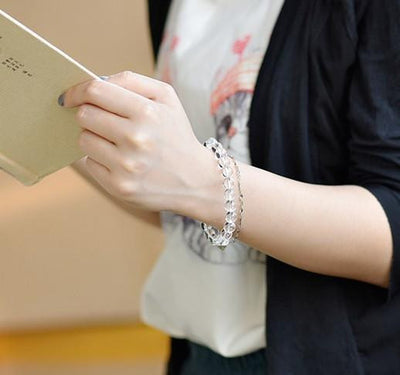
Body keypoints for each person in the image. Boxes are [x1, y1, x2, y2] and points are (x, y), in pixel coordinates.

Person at [59, 0, 400, 374]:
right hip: (196, 352)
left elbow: (392, 221)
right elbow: (179, 199)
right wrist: (61, 135)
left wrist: (204, 182)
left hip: (322, 355)